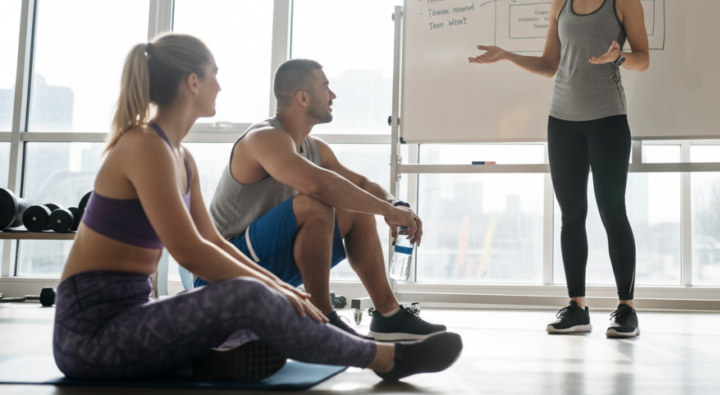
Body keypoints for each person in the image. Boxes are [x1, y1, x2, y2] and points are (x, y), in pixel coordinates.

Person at [54, 33, 462, 382]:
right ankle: (387, 360)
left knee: (264, 290)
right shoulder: (145, 145)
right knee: (252, 292)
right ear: (192, 82)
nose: (220, 86)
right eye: (214, 75)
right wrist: (275, 289)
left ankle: (212, 360)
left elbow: (209, 238)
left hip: (131, 316)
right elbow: (191, 251)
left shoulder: (180, 157)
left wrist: (285, 287)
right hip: (90, 335)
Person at [470, 0, 649, 338]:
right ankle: (577, 307)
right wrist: (507, 55)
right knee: (572, 217)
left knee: (612, 212)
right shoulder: (560, 4)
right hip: (563, 121)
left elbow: (643, 59)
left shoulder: (624, 0)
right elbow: (550, 66)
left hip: (607, 120)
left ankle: (626, 309)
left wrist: (618, 58)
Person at [196, 58, 445, 342]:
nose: (333, 95)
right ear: (302, 97)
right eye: (326, 87)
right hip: (223, 272)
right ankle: (323, 320)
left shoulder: (314, 148)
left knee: (356, 205)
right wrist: (386, 211)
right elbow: (317, 185)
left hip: (265, 264)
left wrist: (396, 206)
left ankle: (389, 316)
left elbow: (360, 184)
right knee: (315, 203)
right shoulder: (264, 138)